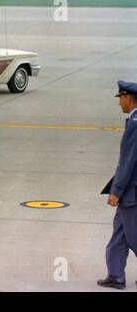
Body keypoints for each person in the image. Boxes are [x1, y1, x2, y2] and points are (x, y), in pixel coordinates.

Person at [97, 80, 137, 290]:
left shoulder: (135, 123)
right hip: (131, 192)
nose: (119, 102)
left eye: (120, 98)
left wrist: (117, 192)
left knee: (133, 236)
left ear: (128, 98)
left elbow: (129, 161)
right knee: (119, 236)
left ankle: (116, 275)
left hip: (132, 192)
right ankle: (116, 275)